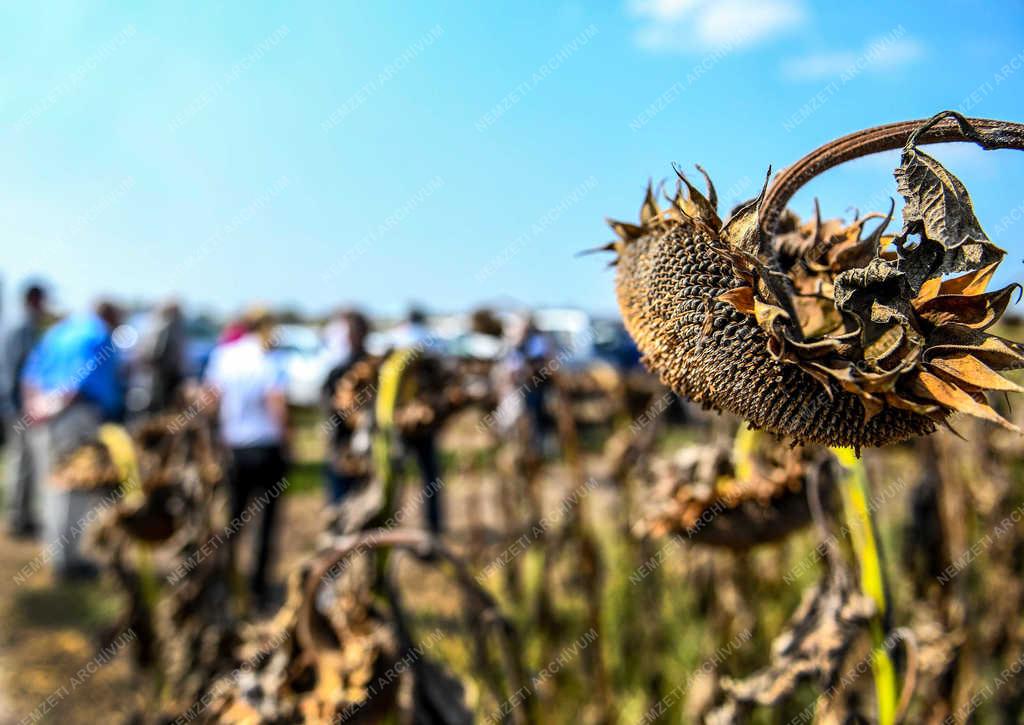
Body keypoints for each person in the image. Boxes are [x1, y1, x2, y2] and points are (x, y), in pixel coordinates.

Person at [22, 300, 126, 579]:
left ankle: (55, 554)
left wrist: (36, 408)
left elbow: (31, 373)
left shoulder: (57, 332)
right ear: (109, 314)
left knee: (52, 484)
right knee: (75, 486)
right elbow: (82, 380)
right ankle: (67, 562)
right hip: (75, 413)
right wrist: (60, 405)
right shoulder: (98, 334)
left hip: (45, 413)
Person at [203, 308, 289, 607]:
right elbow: (276, 402)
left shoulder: (224, 356)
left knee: (232, 519)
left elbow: (211, 399)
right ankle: (258, 588)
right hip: (266, 447)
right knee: (266, 523)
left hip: (234, 449)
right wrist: (287, 440)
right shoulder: (269, 358)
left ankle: (226, 583)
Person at [3, 282, 51, 538]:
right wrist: (22, 407)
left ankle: (23, 516)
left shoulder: (22, 326)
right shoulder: (21, 328)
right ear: (34, 300)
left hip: (20, 405)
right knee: (21, 462)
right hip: (18, 407)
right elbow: (16, 371)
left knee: (25, 463)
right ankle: (18, 520)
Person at [321, 310, 371, 504]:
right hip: (341, 446)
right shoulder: (337, 371)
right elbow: (328, 405)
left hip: (368, 450)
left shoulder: (373, 367)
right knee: (339, 502)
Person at [139, 300, 186, 413]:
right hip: (164, 376)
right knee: (161, 406)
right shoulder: (167, 325)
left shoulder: (153, 325)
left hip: (157, 375)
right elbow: (156, 352)